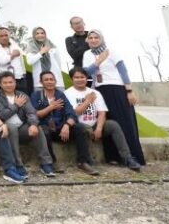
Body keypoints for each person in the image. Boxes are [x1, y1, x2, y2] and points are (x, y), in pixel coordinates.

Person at [82, 29, 145, 166]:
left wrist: (129, 90)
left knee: (125, 122)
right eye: (90, 38)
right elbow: (86, 72)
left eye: (96, 37)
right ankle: (113, 156)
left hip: (117, 89)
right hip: (99, 90)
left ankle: (132, 156)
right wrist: (98, 61)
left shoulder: (112, 51)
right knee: (107, 123)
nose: (93, 40)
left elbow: (123, 70)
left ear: (101, 38)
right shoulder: (87, 54)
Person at [65, 67, 141, 171]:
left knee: (113, 125)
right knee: (80, 127)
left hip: (94, 125)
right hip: (79, 128)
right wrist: (87, 101)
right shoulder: (68, 93)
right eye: (76, 77)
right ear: (71, 79)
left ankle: (127, 158)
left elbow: (102, 113)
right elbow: (75, 113)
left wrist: (99, 128)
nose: (79, 79)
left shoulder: (95, 92)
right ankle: (86, 161)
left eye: (82, 77)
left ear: (87, 78)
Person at [0, 71, 55, 178]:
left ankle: (46, 163)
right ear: (0, 84)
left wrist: (33, 124)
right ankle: (18, 164)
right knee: (11, 127)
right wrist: (16, 105)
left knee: (38, 128)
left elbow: (31, 112)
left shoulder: (22, 95)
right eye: (5, 83)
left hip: (21, 128)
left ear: (15, 82)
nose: (8, 85)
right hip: (6, 129)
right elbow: (1, 116)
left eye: (11, 82)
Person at [31, 71, 95, 175]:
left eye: (51, 79)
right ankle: (52, 162)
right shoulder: (36, 95)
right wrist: (50, 107)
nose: (49, 82)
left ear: (55, 81)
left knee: (79, 128)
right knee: (43, 130)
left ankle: (83, 162)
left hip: (61, 128)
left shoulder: (60, 95)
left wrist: (67, 125)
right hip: (46, 128)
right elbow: (34, 114)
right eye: (46, 80)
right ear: (41, 82)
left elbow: (71, 114)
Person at [0, 27, 29, 94]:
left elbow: (21, 57)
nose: (4, 37)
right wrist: (12, 55)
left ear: (9, 35)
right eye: (1, 36)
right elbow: (2, 61)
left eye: (6, 35)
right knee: (7, 102)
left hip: (19, 78)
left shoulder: (15, 45)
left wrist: (24, 73)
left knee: (23, 101)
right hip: (4, 81)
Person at [26, 27, 64, 92]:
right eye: (37, 33)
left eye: (42, 33)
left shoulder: (52, 47)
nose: (40, 35)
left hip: (56, 81)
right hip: (40, 83)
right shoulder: (31, 47)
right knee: (41, 101)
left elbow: (59, 63)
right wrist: (41, 53)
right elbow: (30, 62)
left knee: (60, 101)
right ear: (34, 35)